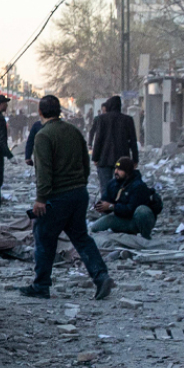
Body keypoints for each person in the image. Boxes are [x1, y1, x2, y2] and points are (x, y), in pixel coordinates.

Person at [21, 95, 113, 301]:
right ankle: (101, 276)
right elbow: (85, 162)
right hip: (79, 193)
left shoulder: (44, 135)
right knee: (81, 237)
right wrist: (80, 183)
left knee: (44, 237)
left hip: (56, 196)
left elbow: (43, 171)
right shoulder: (73, 131)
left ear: (41, 112)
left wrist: (41, 199)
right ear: (60, 111)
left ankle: (41, 285)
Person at [90, 157, 158, 239]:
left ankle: (145, 237)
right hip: (122, 219)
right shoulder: (113, 184)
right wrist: (102, 206)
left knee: (142, 210)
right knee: (95, 228)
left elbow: (131, 209)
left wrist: (112, 206)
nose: (116, 172)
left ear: (127, 171)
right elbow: (107, 200)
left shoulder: (138, 186)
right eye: (116, 169)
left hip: (136, 221)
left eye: (119, 170)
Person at [89, 95, 139, 195]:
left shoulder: (101, 119)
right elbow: (133, 141)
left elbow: (98, 139)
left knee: (105, 187)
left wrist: (95, 157)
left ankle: (106, 208)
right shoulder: (128, 119)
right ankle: (119, 208)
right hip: (123, 159)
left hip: (104, 159)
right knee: (122, 187)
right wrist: (135, 160)